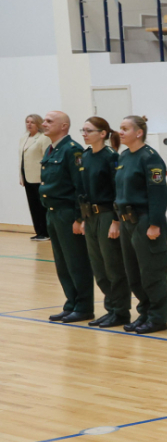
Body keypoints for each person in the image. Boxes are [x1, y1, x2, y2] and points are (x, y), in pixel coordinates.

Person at [111, 116, 167, 334]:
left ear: (139, 133)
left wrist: (155, 224)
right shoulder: (125, 156)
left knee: (151, 273)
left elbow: (159, 193)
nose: (121, 132)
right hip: (127, 221)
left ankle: (157, 318)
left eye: (125, 128)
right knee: (133, 274)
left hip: (145, 219)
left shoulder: (150, 158)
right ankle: (144, 313)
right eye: (120, 128)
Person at [38, 111, 93, 323]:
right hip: (53, 213)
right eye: (44, 120)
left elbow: (80, 187)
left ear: (64, 126)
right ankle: (71, 303)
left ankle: (84, 305)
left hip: (68, 214)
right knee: (62, 263)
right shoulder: (51, 150)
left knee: (77, 261)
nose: (44, 124)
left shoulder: (73, 151)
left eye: (49, 121)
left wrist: (80, 218)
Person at [76, 117, 130, 329]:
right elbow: (80, 188)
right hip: (89, 216)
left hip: (107, 215)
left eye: (89, 130)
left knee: (113, 266)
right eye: (83, 130)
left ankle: (120, 311)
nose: (84, 134)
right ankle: (110, 309)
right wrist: (81, 218)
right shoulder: (83, 156)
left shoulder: (111, 157)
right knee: (98, 267)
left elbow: (118, 190)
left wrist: (116, 221)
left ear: (103, 134)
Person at [19, 114, 49, 241]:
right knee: (33, 206)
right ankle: (39, 231)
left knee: (42, 206)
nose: (29, 124)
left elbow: (46, 158)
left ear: (39, 124)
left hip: (39, 178)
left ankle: (46, 232)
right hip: (27, 177)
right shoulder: (24, 138)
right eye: (27, 122)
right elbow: (22, 159)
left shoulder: (43, 138)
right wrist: (21, 176)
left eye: (32, 122)